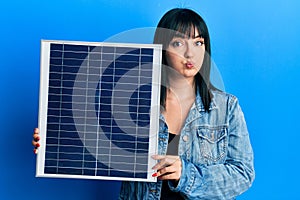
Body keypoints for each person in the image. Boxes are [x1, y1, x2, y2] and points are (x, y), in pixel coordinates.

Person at [33, 8, 255, 199]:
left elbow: (243, 174)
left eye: (198, 43)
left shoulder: (227, 108)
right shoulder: (133, 102)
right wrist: (53, 143)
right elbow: (92, 141)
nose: (190, 53)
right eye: (179, 42)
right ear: (162, 49)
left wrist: (185, 174)